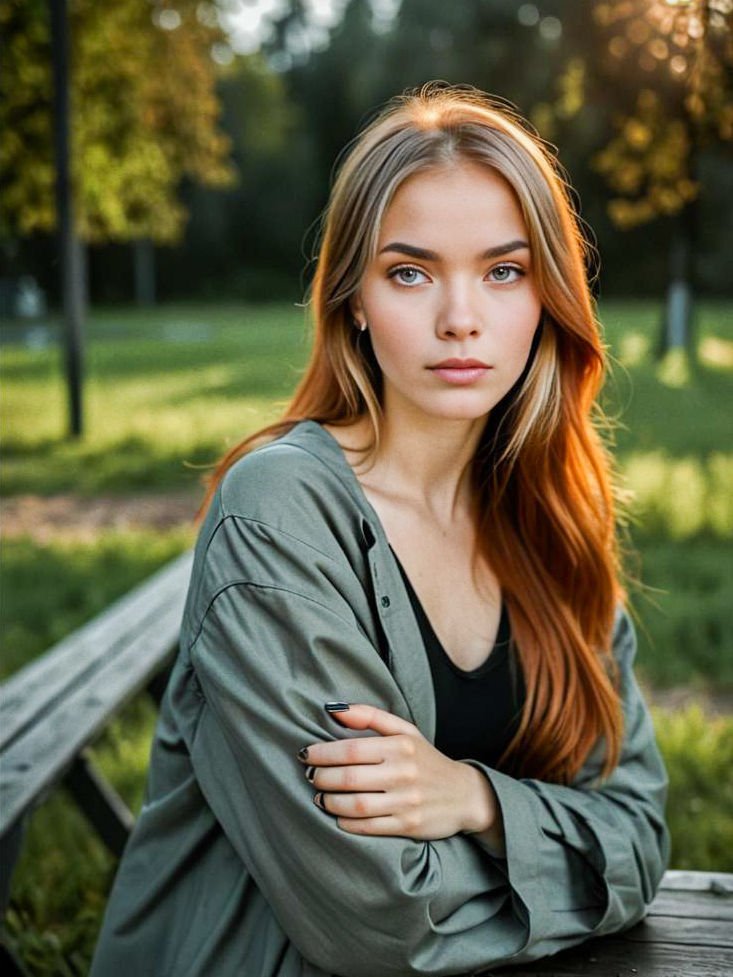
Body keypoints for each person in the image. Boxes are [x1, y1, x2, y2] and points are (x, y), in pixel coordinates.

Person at [90, 81, 670, 977]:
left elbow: (639, 830)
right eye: (409, 272)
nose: (459, 318)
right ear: (352, 299)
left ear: (545, 296)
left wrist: (474, 799)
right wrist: (566, 859)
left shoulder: (549, 515)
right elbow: (381, 920)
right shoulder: (280, 512)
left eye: (502, 270)